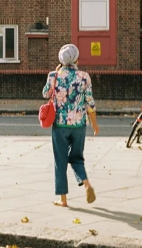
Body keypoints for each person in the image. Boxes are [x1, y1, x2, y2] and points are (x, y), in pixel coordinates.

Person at [43, 44, 99, 208]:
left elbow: (45, 94)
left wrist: (52, 77)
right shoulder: (84, 76)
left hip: (60, 124)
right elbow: (90, 103)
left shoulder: (54, 75)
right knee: (76, 158)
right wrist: (94, 125)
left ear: (61, 60)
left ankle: (63, 199)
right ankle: (87, 184)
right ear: (76, 59)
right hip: (79, 124)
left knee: (60, 161)